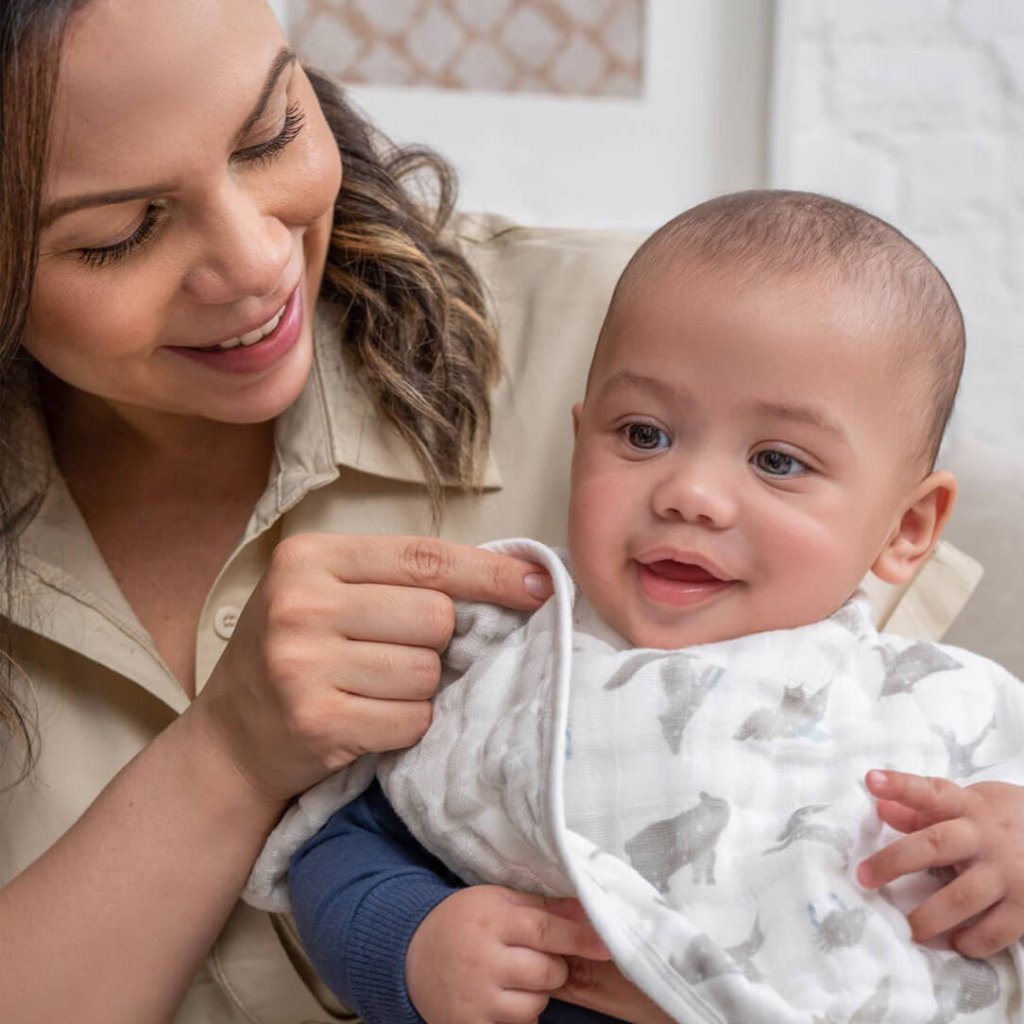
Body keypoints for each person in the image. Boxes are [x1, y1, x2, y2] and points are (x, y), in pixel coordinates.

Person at [0, 2, 669, 1022]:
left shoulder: (647, 348)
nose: (256, 262)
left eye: (271, 133)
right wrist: (228, 756)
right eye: (116, 234)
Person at [283, 191, 1024, 1024]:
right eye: (644, 435)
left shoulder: (940, 705)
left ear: (907, 527)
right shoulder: (506, 664)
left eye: (778, 461)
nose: (690, 493)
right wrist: (415, 942)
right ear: (580, 443)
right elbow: (337, 847)